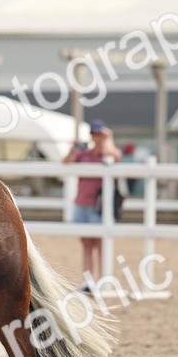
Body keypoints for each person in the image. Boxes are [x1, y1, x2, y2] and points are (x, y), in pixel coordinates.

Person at [63, 120, 123, 292]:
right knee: (87, 244)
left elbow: (114, 156)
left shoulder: (108, 154)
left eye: (99, 134)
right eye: (94, 134)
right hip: (82, 202)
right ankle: (88, 281)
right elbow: (66, 162)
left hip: (98, 205)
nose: (96, 137)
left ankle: (103, 280)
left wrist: (108, 140)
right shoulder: (84, 154)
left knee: (100, 244)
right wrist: (72, 150)